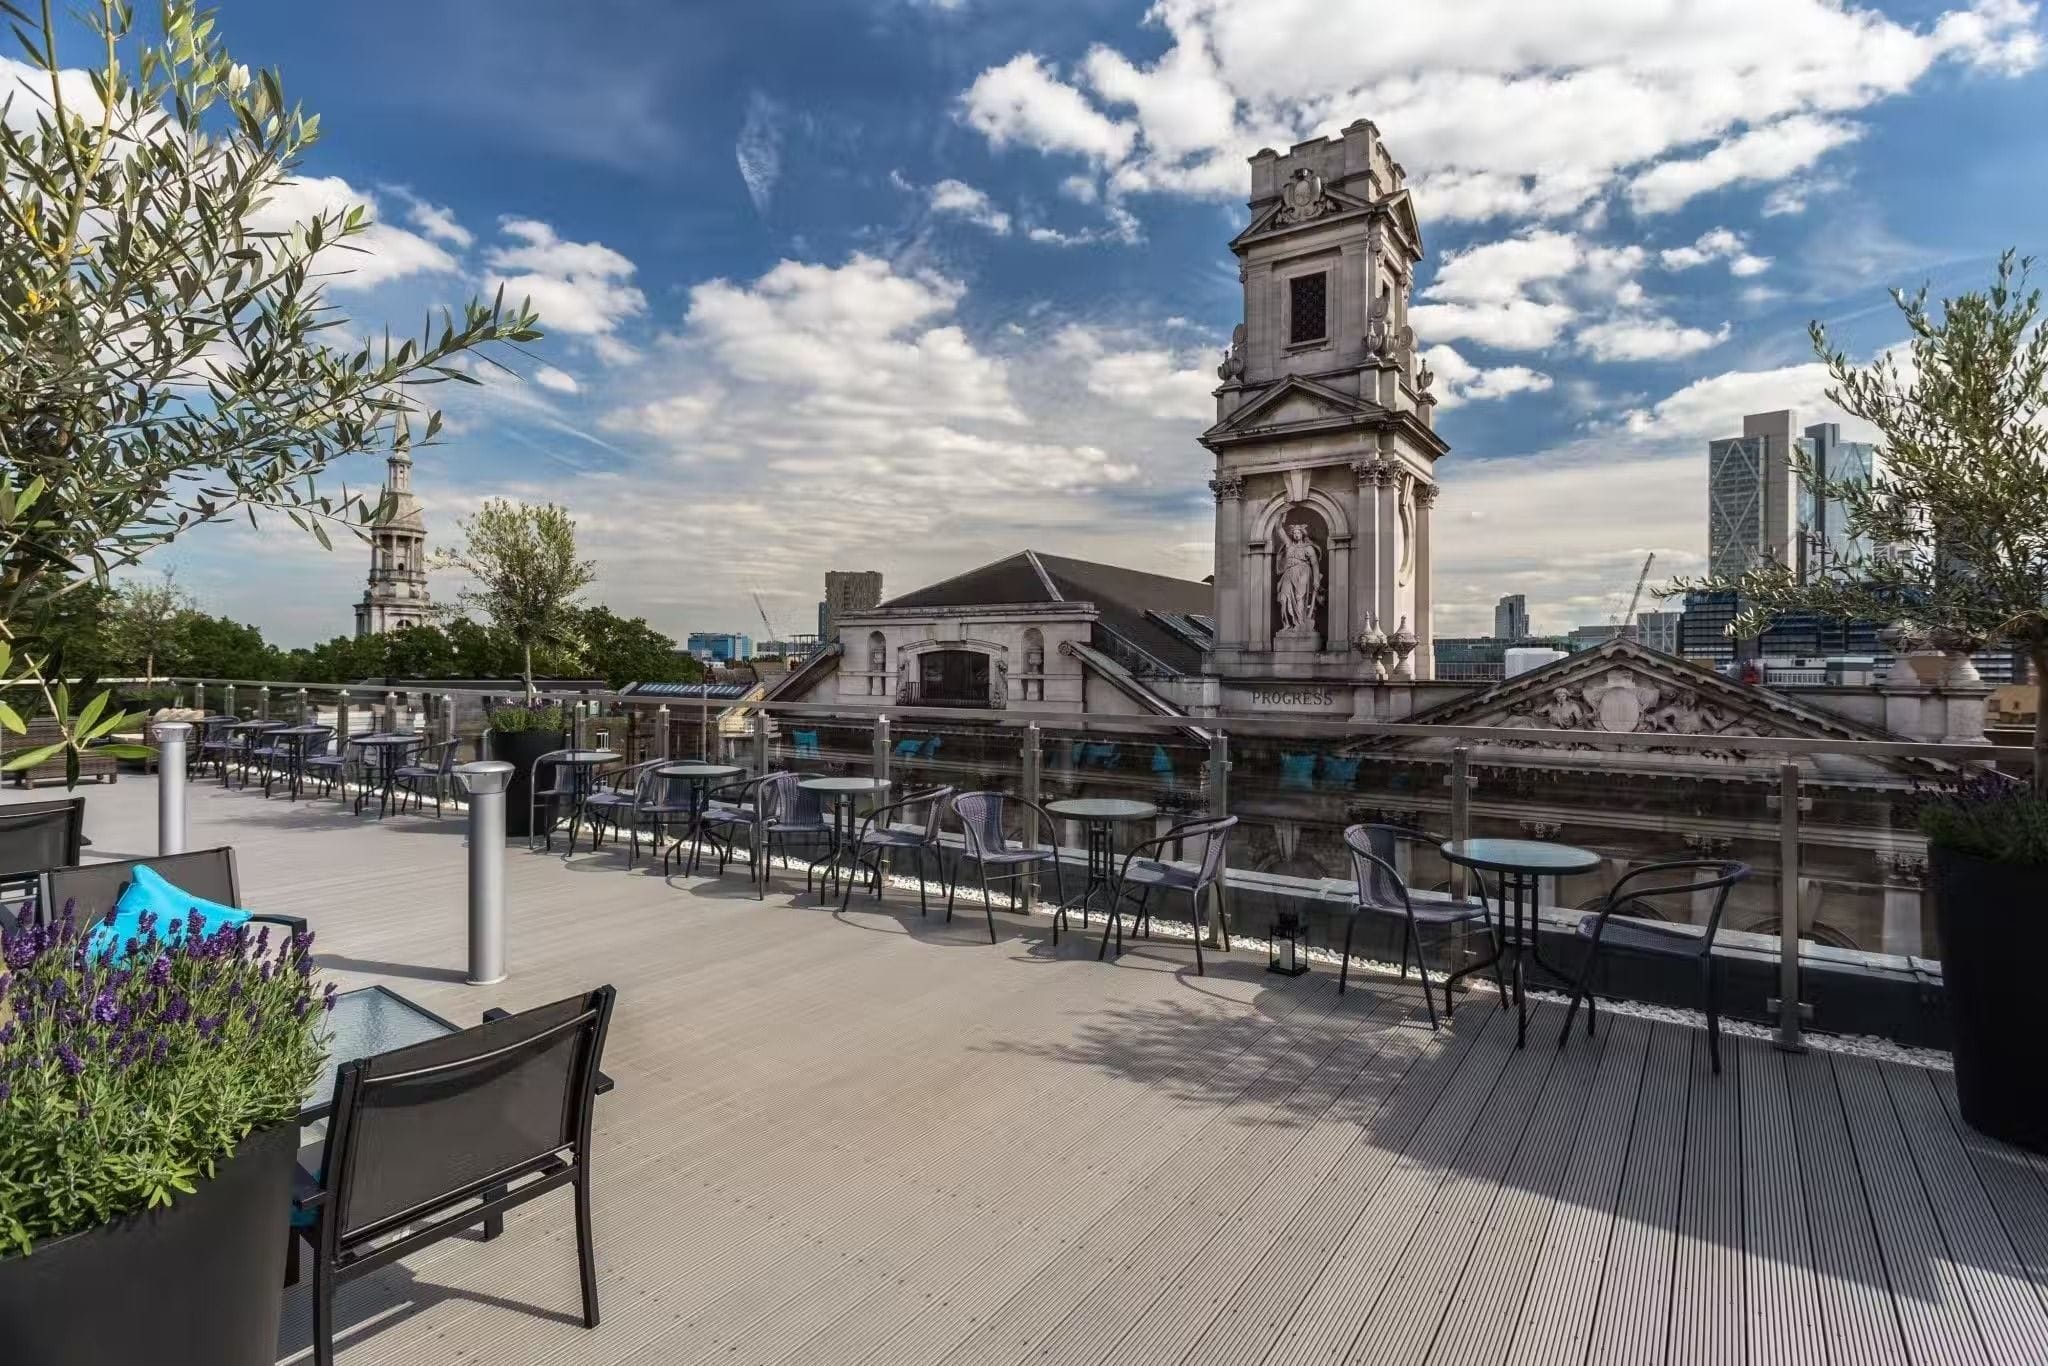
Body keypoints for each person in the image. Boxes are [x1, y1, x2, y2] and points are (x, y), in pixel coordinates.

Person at [1276, 520, 1322, 632]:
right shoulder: (1289, 545)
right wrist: (1282, 515)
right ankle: (1287, 624)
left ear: (1302, 534)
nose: (1296, 535)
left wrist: (1316, 580)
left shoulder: (1308, 548)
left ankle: (1300, 623)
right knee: (1283, 599)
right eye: (1295, 533)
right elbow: (1279, 530)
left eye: (1298, 533)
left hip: (1303, 571)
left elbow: (1315, 564)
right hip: (1289, 573)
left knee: (1299, 597)